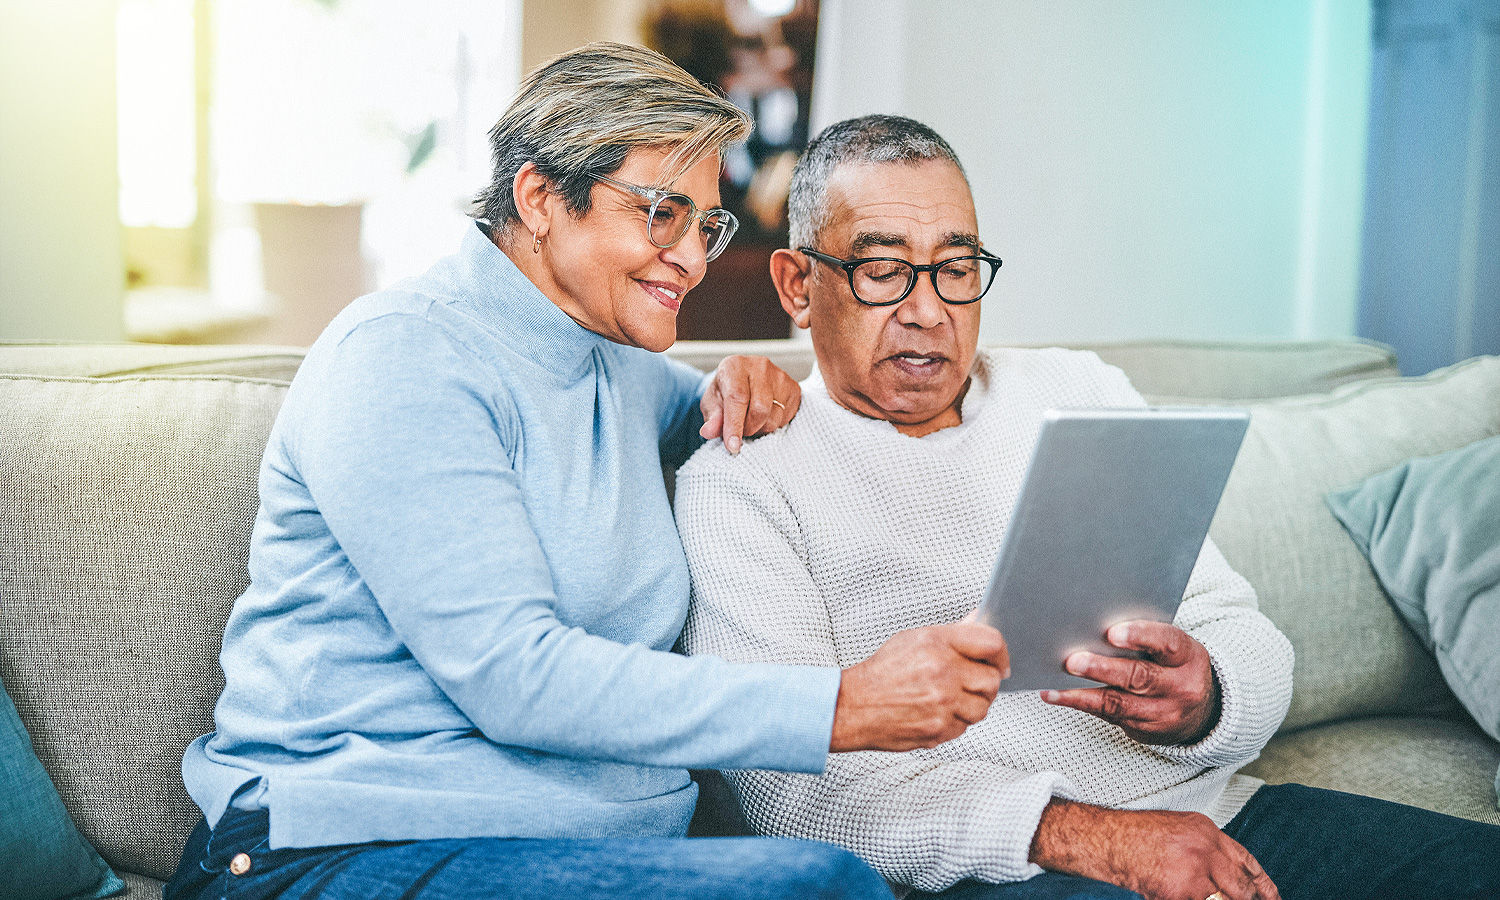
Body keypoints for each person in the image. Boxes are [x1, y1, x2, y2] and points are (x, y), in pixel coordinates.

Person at [165, 48, 1012, 900]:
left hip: (580, 856)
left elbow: (742, 419)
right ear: (539, 199)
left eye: (706, 227)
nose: (691, 259)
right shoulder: (403, 355)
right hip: (333, 851)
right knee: (816, 889)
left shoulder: (621, 369)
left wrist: (745, 384)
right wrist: (839, 706)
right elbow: (514, 677)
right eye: (661, 214)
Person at [675, 114, 1500, 900]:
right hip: (996, 868)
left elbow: (1247, 635)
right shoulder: (746, 473)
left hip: (1214, 816)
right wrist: (1098, 837)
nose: (927, 310)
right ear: (797, 284)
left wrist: (1205, 696)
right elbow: (789, 797)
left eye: (956, 270)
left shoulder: (1078, 391)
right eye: (884, 270)